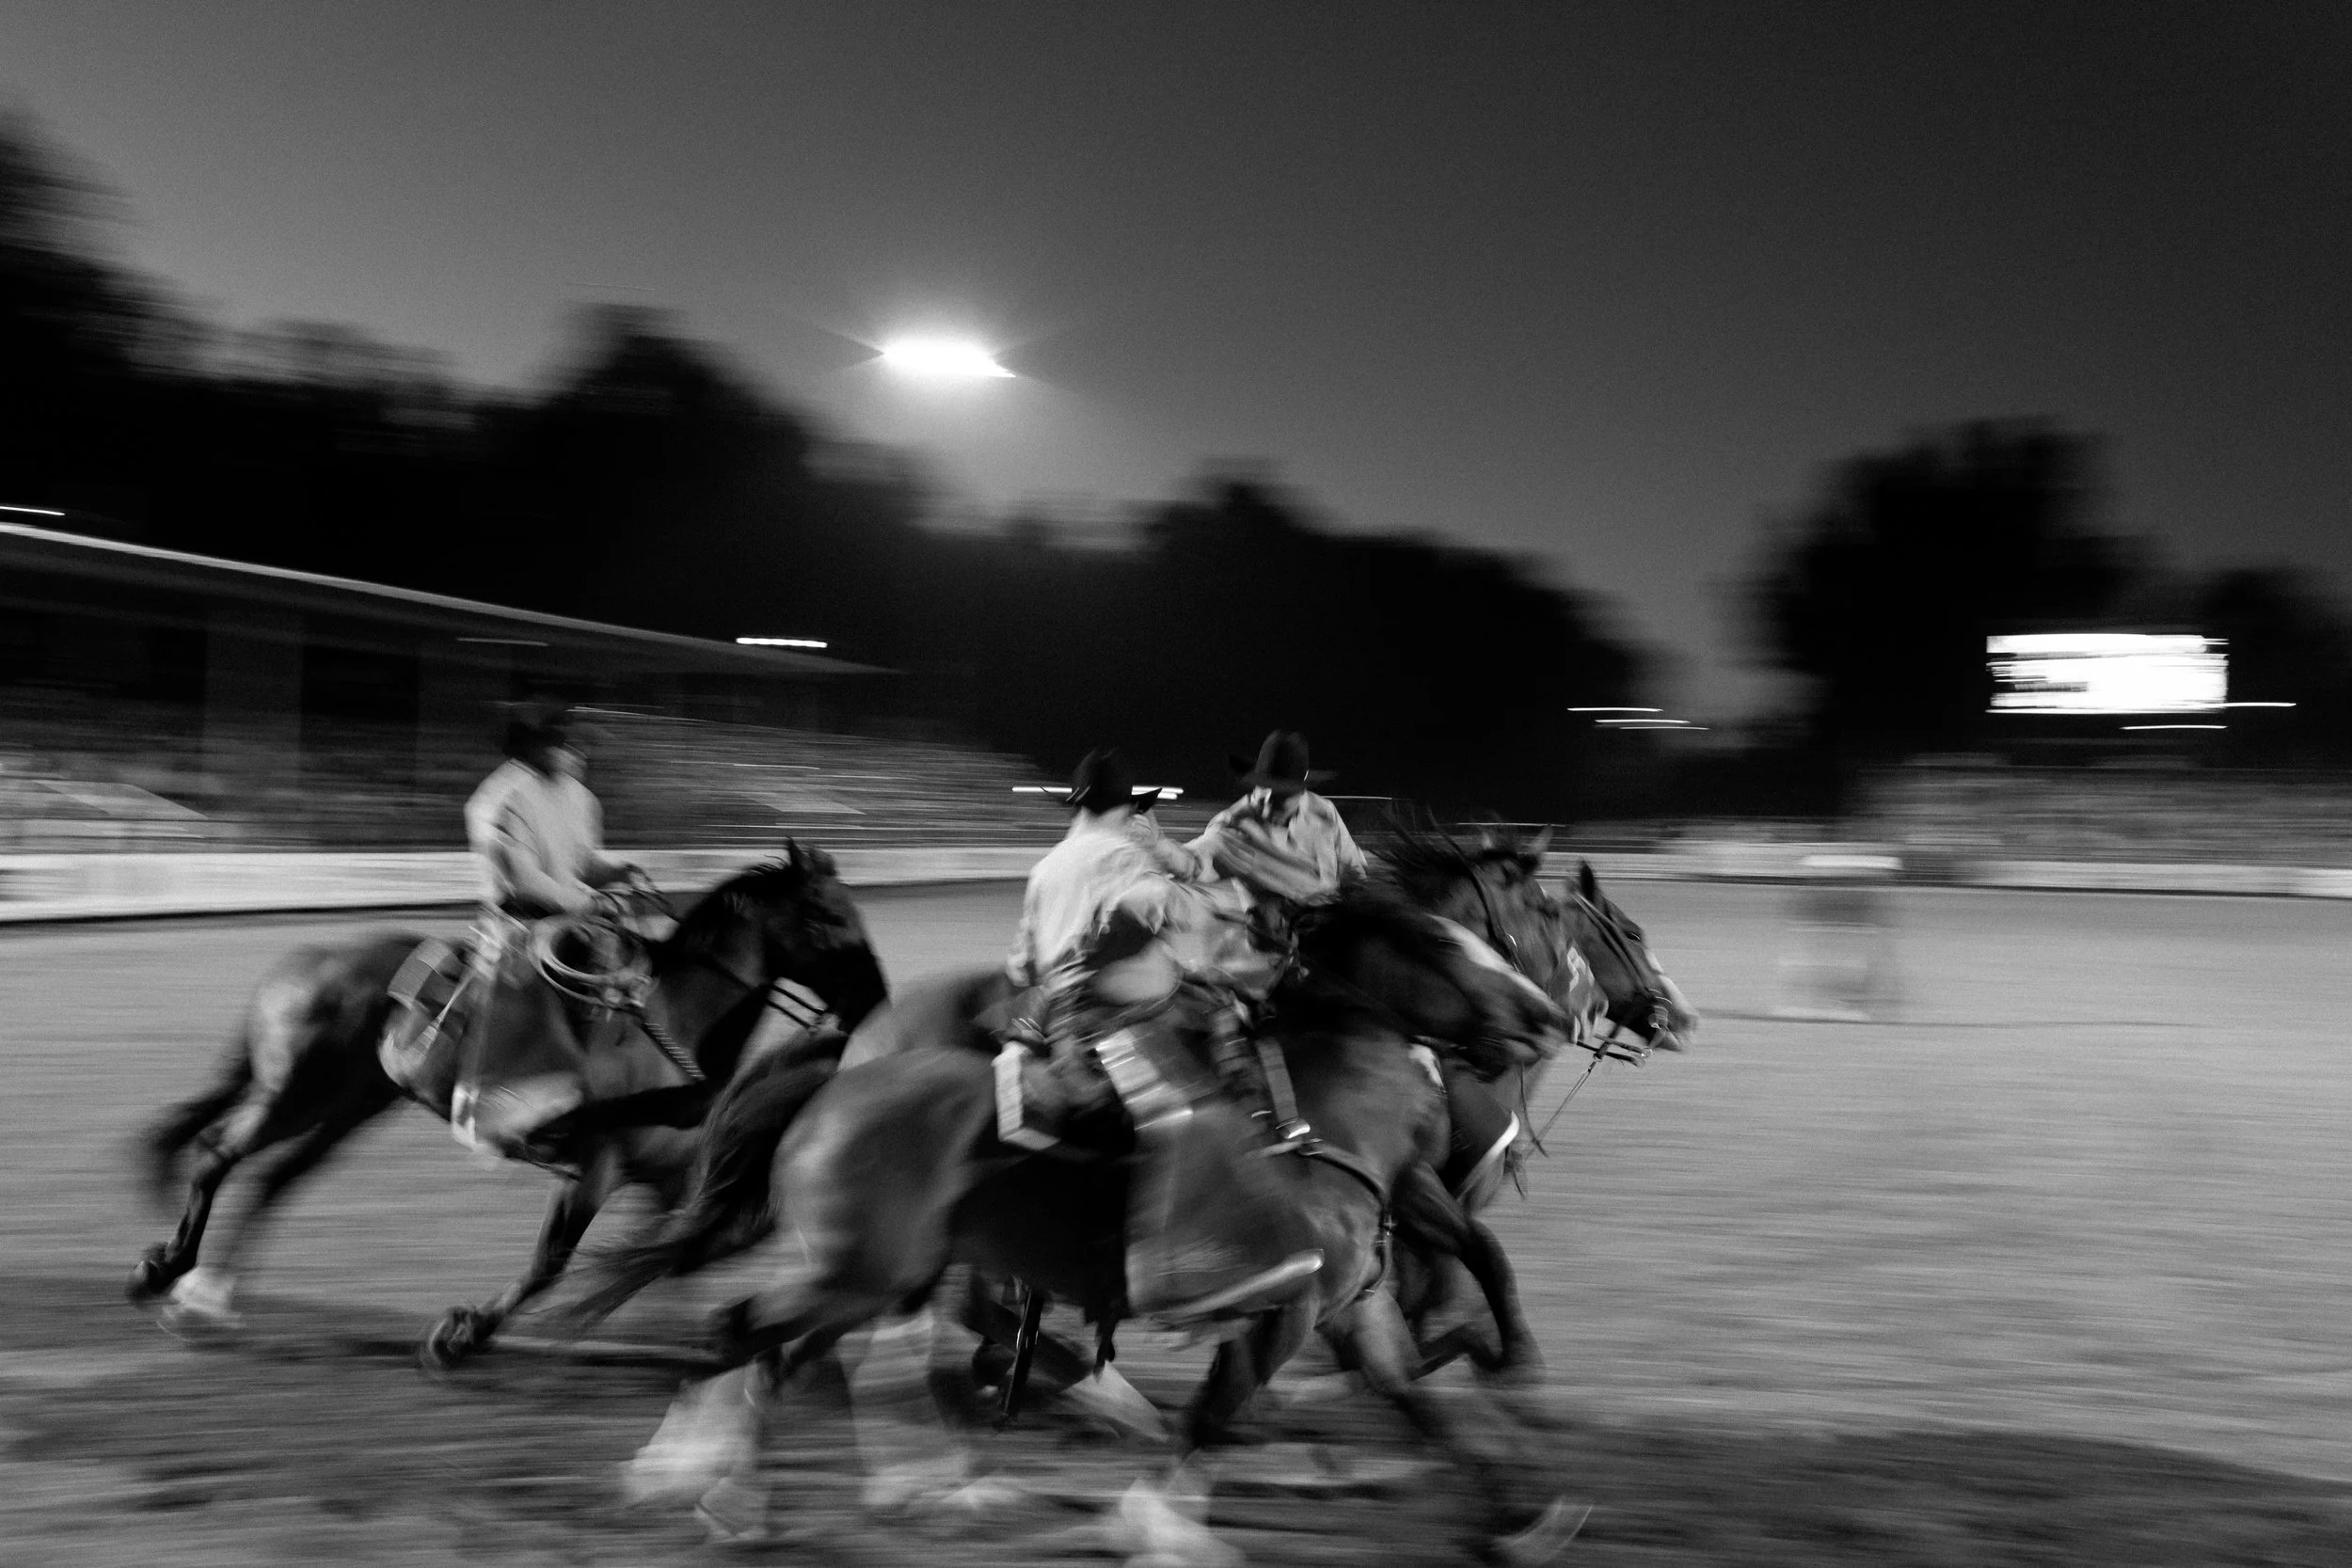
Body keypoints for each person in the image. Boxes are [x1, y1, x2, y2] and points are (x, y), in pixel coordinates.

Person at [1006, 748, 1322, 1324]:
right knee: (1209, 1098)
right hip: (1119, 1022)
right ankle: (1192, 1251)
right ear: (1130, 810)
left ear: (1077, 805)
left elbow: (1021, 966)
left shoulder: (1045, 867)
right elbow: (1168, 911)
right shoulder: (1122, 857)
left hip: (1059, 1020)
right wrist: (1208, 899)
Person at [449, 703, 644, 1157]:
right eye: (564, 744)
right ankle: (511, 1104)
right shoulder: (498, 800)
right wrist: (586, 901)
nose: (576, 753)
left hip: (576, 915)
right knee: (545, 984)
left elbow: (583, 863)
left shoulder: (581, 797)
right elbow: (523, 879)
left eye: (574, 744)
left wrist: (618, 873)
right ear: (533, 747)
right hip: (521, 922)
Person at [1180, 730, 1366, 988]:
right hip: (1274, 954)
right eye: (1263, 787)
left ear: (1301, 791)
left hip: (1333, 940)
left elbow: (1354, 871)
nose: (1267, 798)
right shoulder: (1233, 825)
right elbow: (1190, 862)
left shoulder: (1324, 812)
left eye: (1280, 794)